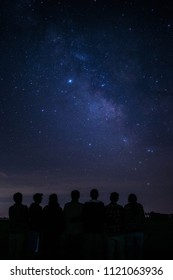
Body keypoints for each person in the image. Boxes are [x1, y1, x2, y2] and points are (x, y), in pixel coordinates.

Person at [83, 188, 104, 259]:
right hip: (98, 230)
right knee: (98, 251)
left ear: (90, 195)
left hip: (88, 230)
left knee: (88, 251)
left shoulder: (86, 204)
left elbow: (84, 216)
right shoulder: (101, 204)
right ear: (97, 195)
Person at [42, 193, 64, 259]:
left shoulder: (46, 209)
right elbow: (62, 221)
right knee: (55, 250)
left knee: (47, 250)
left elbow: (43, 220)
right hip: (56, 233)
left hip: (47, 232)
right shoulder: (59, 209)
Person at [124, 193, 145, 259]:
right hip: (139, 232)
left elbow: (124, 219)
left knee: (130, 252)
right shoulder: (140, 206)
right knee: (139, 252)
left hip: (129, 232)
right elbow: (143, 218)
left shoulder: (126, 207)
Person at [64, 190, 84, 259]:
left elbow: (65, 218)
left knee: (69, 253)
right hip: (78, 233)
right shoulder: (82, 206)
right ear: (78, 196)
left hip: (69, 232)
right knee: (77, 253)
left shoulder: (67, 206)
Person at [8, 192, 28, 259]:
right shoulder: (24, 208)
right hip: (19, 232)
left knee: (13, 252)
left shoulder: (11, 208)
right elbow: (26, 219)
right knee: (17, 252)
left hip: (14, 232)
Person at [105, 192, 124, 259]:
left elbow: (105, 221)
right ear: (117, 199)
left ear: (110, 198)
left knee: (110, 255)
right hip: (119, 233)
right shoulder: (121, 208)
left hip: (109, 234)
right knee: (120, 254)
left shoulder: (106, 208)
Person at [28, 193, 43, 258]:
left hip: (32, 229)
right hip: (36, 229)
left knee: (32, 246)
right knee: (35, 248)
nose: (41, 199)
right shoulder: (38, 208)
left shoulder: (31, 207)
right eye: (40, 198)